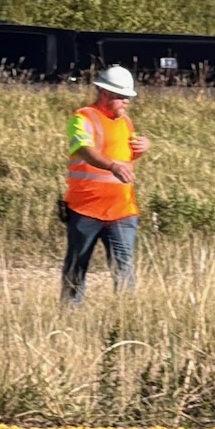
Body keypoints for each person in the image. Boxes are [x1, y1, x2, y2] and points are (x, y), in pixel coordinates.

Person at [61, 66, 151, 305]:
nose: (127, 102)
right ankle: (69, 318)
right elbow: (84, 149)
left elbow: (125, 158)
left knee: (124, 269)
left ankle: (125, 318)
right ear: (104, 93)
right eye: (122, 97)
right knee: (76, 268)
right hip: (85, 209)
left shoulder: (126, 122)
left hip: (122, 211)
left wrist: (142, 148)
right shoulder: (82, 118)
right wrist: (112, 166)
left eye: (128, 97)